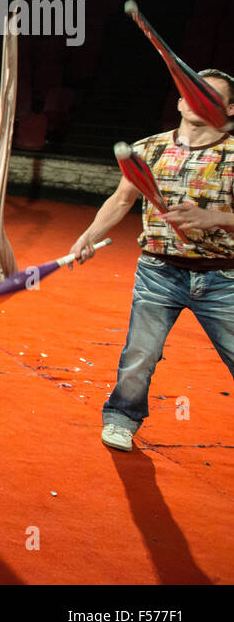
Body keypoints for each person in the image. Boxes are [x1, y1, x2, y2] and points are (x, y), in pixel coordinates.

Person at [69, 69, 234, 451]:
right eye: (191, 91)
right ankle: (122, 419)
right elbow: (122, 199)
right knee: (139, 353)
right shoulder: (150, 149)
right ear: (179, 101)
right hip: (159, 272)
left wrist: (215, 218)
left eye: (210, 94)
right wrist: (88, 236)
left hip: (222, 277)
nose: (197, 98)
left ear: (227, 108)